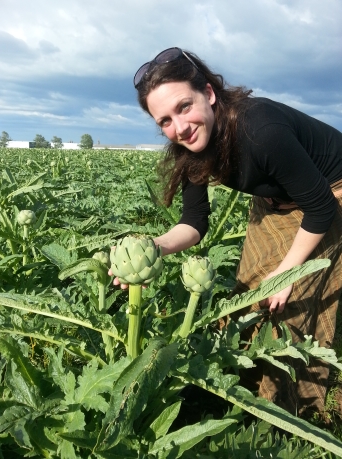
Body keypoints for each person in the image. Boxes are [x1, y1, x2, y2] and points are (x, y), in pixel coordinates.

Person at [111, 47, 342, 417]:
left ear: (209, 93)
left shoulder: (260, 130)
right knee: (249, 292)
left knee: (293, 305)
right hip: (277, 199)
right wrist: (150, 248)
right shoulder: (190, 150)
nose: (179, 127)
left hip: (329, 193)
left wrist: (288, 273)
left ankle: (288, 414)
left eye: (184, 106)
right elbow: (193, 223)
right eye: (165, 121)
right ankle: (240, 387)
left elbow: (320, 207)